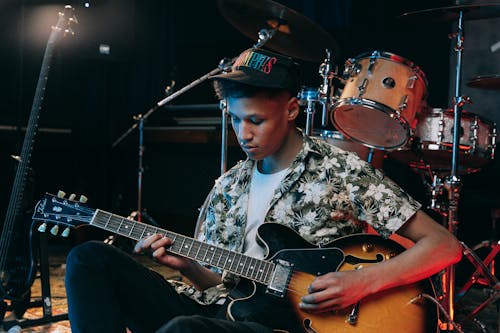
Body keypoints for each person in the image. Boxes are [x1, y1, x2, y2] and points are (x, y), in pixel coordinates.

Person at [64, 47, 462, 333]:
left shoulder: (342, 170)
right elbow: (219, 285)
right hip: (226, 314)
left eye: (256, 120)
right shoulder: (229, 185)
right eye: (236, 120)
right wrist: (188, 266)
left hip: (292, 325)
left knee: (184, 330)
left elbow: (444, 246)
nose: (244, 134)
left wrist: (361, 282)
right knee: (88, 259)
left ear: (291, 110)